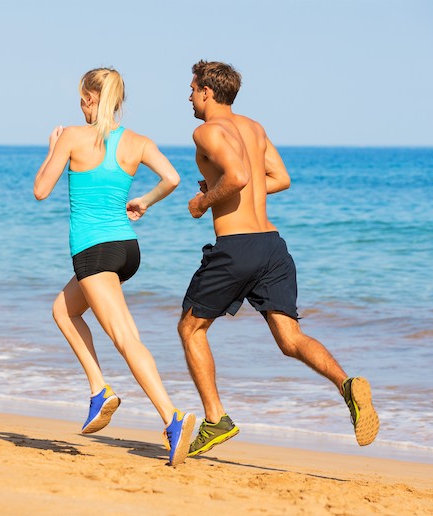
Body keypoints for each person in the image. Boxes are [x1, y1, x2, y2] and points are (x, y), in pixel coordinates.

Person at [177, 60, 380, 457]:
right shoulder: (255, 128)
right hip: (272, 246)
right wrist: (222, 185)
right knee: (290, 338)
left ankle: (216, 418)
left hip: (236, 247)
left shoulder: (205, 131)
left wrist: (203, 200)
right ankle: (347, 385)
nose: (189, 96)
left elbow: (237, 177)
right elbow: (279, 178)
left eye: (192, 88)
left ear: (207, 91)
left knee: (190, 328)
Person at [33, 67, 196, 466]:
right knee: (63, 310)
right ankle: (98, 390)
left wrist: (52, 146)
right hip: (126, 249)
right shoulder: (137, 142)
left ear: (90, 99)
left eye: (82, 100)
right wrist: (144, 200)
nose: (81, 107)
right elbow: (172, 178)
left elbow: (40, 190)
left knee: (126, 339)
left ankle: (172, 419)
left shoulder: (72, 136)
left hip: (95, 252)